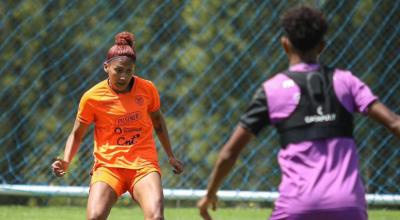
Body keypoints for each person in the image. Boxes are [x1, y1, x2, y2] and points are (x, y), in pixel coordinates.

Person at [197, 6, 400, 220]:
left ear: (285, 44)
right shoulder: (346, 82)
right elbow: (394, 123)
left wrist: (209, 195)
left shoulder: (272, 90)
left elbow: (229, 153)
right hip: (349, 206)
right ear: (321, 46)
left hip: (297, 207)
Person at [52, 31, 183, 220]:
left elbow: (158, 122)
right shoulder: (92, 97)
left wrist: (170, 155)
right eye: (118, 70)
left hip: (143, 165)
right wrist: (66, 160)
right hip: (108, 166)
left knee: (156, 217)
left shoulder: (147, 89)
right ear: (106, 67)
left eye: (129, 71)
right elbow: (77, 134)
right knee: (95, 216)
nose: (123, 77)